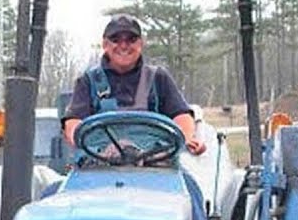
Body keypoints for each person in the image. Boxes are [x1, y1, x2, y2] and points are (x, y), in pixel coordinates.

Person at [62, 15, 205, 155]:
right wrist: (76, 137)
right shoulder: (88, 81)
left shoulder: (158, 77)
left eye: (131, 40)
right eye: (115, 40)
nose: (124, 46)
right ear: (105, 44)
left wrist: (187, 138)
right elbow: (73, 121)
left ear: (140, 44)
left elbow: (181, 114)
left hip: (155, 161)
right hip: (100, 161)